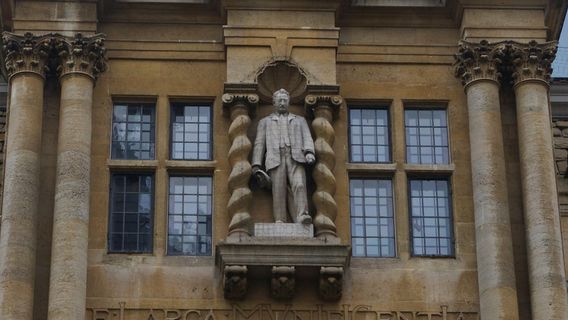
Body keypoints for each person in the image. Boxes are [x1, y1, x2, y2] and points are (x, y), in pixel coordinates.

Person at [252, 88, 315, 224]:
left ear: (289, 102)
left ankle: (303, 215)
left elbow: (307, 137)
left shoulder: (300, 120)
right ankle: (280, 219)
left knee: (299, 185)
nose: (282, 103)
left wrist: (309, 152)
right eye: (279, 100)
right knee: (278, 190)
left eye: (285, 100)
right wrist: (256, 165)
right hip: (275, 157)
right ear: (274, 102)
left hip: (296, 157)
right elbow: (259, 143)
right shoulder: (265, 122)